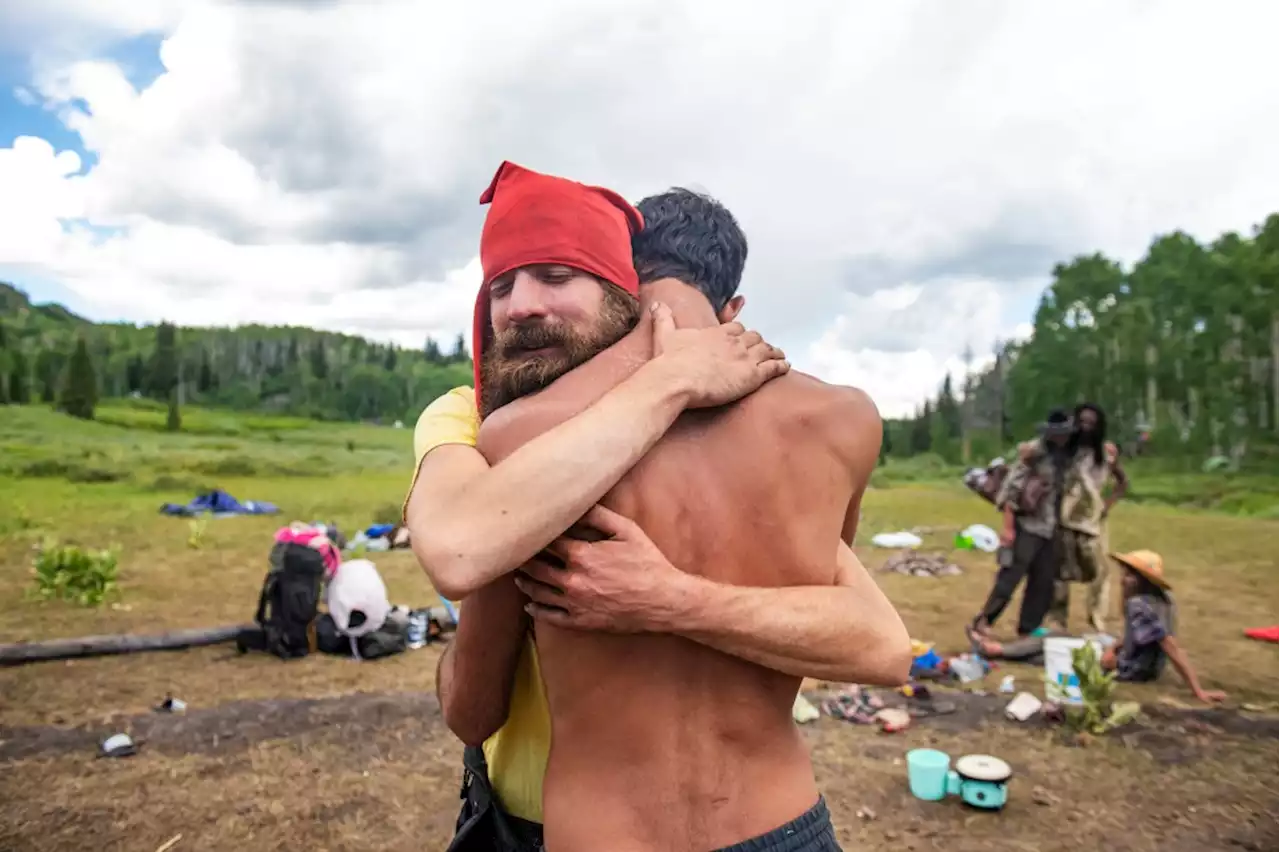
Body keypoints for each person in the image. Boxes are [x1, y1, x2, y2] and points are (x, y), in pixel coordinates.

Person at [406, 169, 908, 851]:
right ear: (731, 307)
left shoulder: (518, 434)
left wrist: (667, 597)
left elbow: (474, 706)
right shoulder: (844, 420)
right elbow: (826, 599)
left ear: (616, 281)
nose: (523, 305)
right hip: (785, 824)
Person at [972, 551, 1226, 705]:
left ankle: (996, 651)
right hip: (1136, 661)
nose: (1124, 579)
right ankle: (1001, 650)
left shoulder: (1140, 604)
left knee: (1055, 645)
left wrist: (1198, 690)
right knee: (1058, 642)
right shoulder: (1162, 600)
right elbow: (1137, 635)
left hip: (1131, 668)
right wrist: (1116, 645)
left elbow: (1170, 645)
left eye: (1130, 575)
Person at [969, 408, 1074, 640]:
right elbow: (1010, 491)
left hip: (1051, 527)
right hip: (1027, 525)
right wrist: (1008, 528)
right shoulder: (1033, 453)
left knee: (1043, 580)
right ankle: (984, 620)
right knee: (1011, 576)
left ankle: (1028, 626)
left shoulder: (1066, 456)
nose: (1061, 437)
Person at [1046, 402, 1129, 632]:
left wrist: (1107, 506)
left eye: (1091, 423)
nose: (1086, 427)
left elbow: (1123, 482)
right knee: (1060, 570)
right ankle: (1057, 620)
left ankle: (1096, 621)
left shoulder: (1106, 453)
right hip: (1065, 517)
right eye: (1082, 422)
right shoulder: (1066, 451)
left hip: (1093, 520)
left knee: (1099, 571)